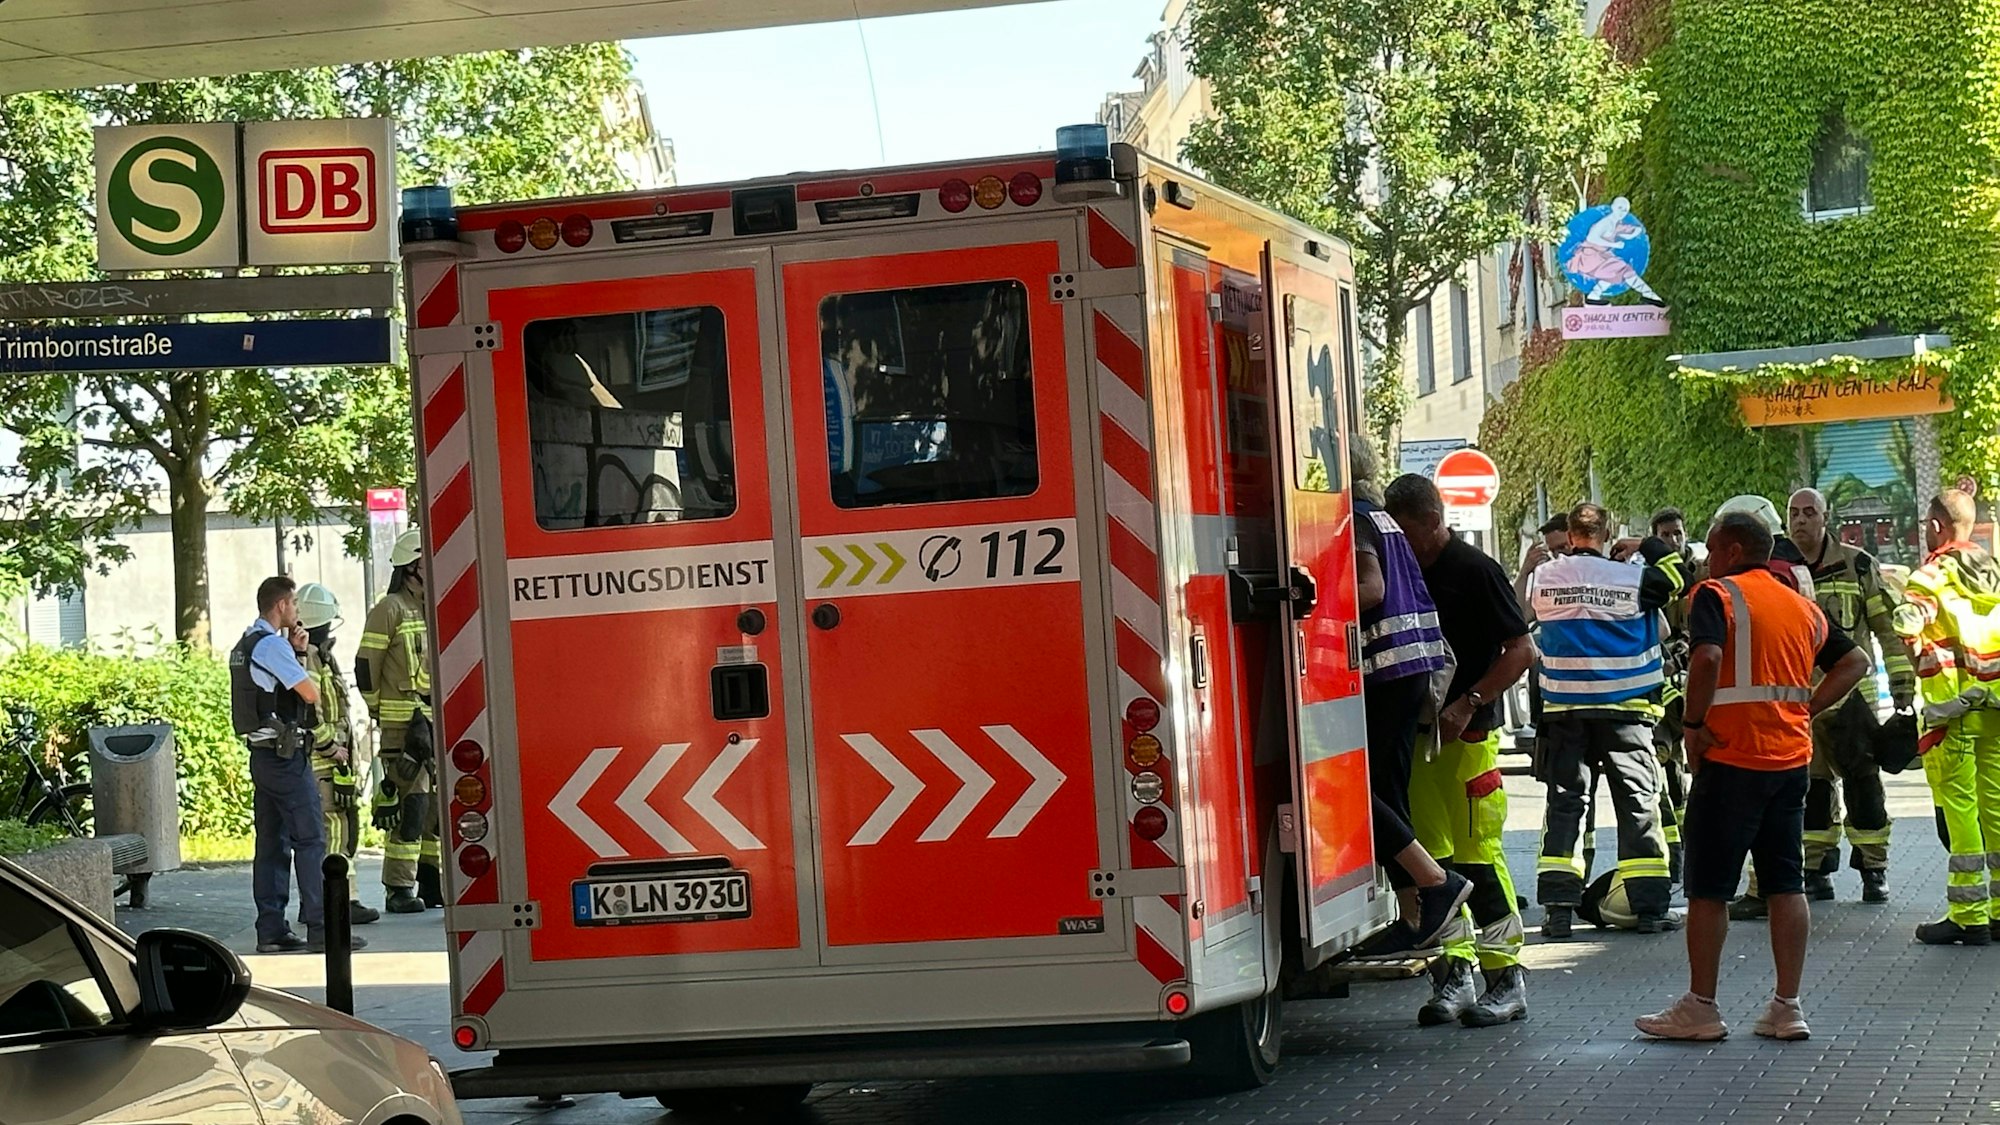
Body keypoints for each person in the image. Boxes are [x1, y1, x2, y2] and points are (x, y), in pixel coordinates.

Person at [1636, 512, 1869, 1041]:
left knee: (1708, 888)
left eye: (1713, 551)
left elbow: (1709, 656)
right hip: (1790, 762)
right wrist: (1807, 708)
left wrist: (1693, 725)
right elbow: (1853, 662)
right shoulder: (1801, 606)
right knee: (1787, 882)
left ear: (1734, 550)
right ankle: (1787, 1007)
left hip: (1731, 758)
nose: (1706, 562)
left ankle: (1702, 1007)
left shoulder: (1717, 596)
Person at [1386, 473, 1535, 1027]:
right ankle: (1453, 974)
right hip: (1420, 737)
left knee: (1479, 856)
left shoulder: (1474, 570)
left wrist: (1470, 702)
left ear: (1434, 521)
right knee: (1434, 862)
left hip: (1466, 738)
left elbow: (1521, 650)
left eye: (1410, 533)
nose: (1404, 546)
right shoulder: (1404, 567)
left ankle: (1505, 979)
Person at [1529, 503, 1686, 937]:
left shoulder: (1547, 579)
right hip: (1625, 711)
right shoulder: (1633, 578)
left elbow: (1528, 613)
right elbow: (1679, 575)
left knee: (1566, 807)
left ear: (1570, 533)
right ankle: (1649, 908)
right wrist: (1645, 545)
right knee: (1638, 805)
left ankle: (1558, 911)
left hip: (1565, 712)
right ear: (1607, 532)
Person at [1349, 443, 1472, 955]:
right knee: (1389, 790)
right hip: (1411, 669)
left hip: (1384, 669)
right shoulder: (1382, 515)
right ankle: (1416, 913)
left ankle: (1434, 882)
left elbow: (1371, 589)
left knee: (1357, 790)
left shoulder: (1354, 518)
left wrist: (1307, 600)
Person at [1787, 488, 1911, 902]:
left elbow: (1887, 629)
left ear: (1826, 519)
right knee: (1813, 790)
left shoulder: (1858, 566)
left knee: (1864, 786)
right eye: (1794, 513)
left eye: (1809, 513)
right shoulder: (1781, 570)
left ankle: (1874, 869)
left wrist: (1902, 683)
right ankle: (1817, 869)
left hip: (1853, 700)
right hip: (1802, 702)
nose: (1801, 520)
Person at [1893, 490, 2000, 945]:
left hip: (1952, 711)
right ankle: (1997, 909)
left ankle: (1969, 915)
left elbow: (1906, 623)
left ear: (1936, 526)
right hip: (1995, 706)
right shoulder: (1994, 574)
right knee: (1995, 808)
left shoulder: (1930, 576)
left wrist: (1921, 657)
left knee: (1960, 810)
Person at [231, 577, 331, 953]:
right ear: (282, 606)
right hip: (286, 759)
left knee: (272, 844)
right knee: (310, 839)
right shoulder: (272, 646)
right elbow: (308, 692)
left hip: (262, 757)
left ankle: (271, 930)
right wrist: (298, 658)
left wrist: (296, 653)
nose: (298, 612)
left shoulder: (245, 644)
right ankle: (320, 927)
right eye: (294, 605)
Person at [361, 530, 441, 914]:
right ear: (411, 567)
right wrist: (379, 708)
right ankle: (398, 888)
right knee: (410, 805)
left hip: (432, 722)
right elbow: (366, 667)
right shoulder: (388, 608)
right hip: (402, 727)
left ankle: (431, 880)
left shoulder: (432, 607)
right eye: (427, 561)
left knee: (434, 809)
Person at [297, 583, 380, 927]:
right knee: (332, 829)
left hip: (335, 761)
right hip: (324, 762)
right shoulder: (311, 660)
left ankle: (333, 899)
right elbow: (309, 712)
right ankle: (335, 901)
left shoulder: (320, 656)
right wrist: (331, 747)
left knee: (344, 827)